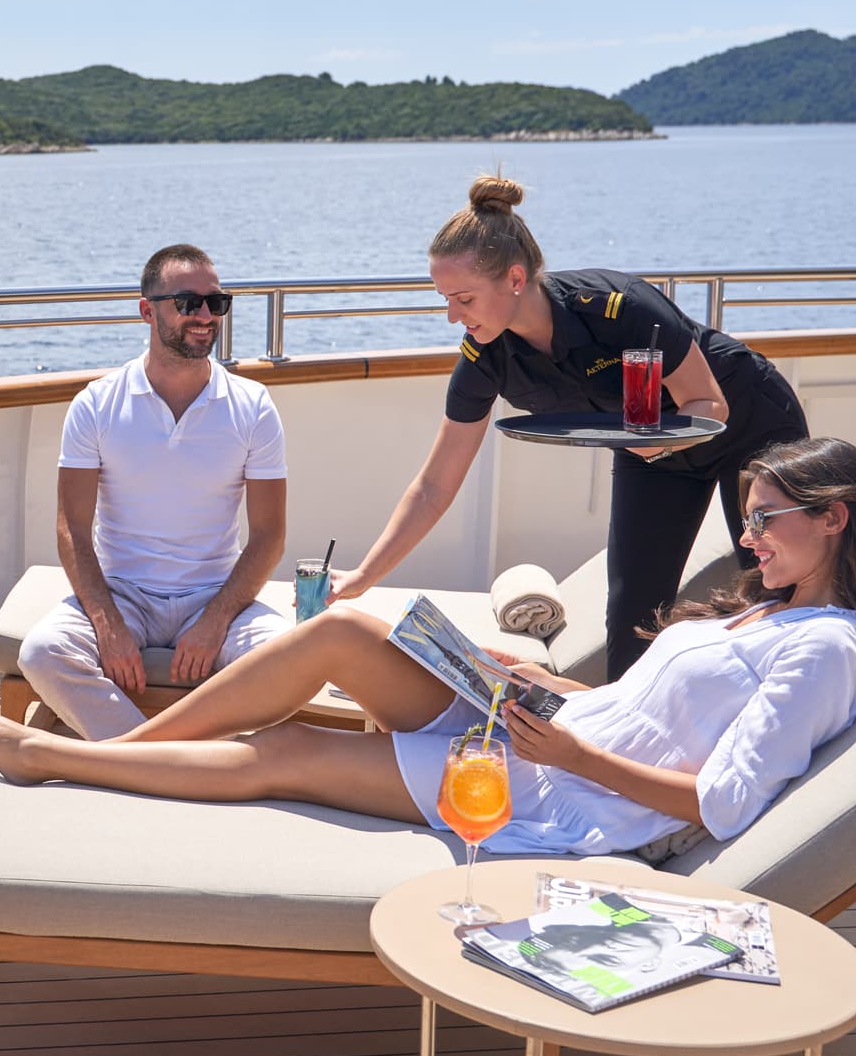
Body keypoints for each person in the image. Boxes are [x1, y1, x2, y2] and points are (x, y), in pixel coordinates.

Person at [0, 438, 856, 858]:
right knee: (342, 629)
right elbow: (647, 710)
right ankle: (119, 755)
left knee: (286, 751)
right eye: (748, 519)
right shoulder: (771, 615)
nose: (748, 539)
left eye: (766, 519)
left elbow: (727, 803)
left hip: (562, 793)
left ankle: (60, 758)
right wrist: (535, 681)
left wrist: (570, 754)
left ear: (835, 518)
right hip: (544, 726)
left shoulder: (826, 652)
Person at [326, 175, 810, 682]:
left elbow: (709, 403)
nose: (452, 316)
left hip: (747, 424)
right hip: (647, 444)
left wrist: (652, 446)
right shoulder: (485, 357)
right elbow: (433, 487)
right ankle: (621, 723)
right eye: (445, 299)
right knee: (634, 612)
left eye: (463, 298)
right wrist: (362, 577)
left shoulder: (619, 307)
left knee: (773, 583)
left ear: (515, 279)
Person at [14, 243, 290, 739]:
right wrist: (106, 622)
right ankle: (164, 758)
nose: (205, 316)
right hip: (122, 593)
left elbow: (269, 535)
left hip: (216, 594)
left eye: (216, 303)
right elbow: (72, 527)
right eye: (188, 303)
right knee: (41, 654)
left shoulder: (253, 406)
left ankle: (136, 755)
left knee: (288, 663)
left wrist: (216, 620)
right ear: (147, 310)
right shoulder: (96, 404)